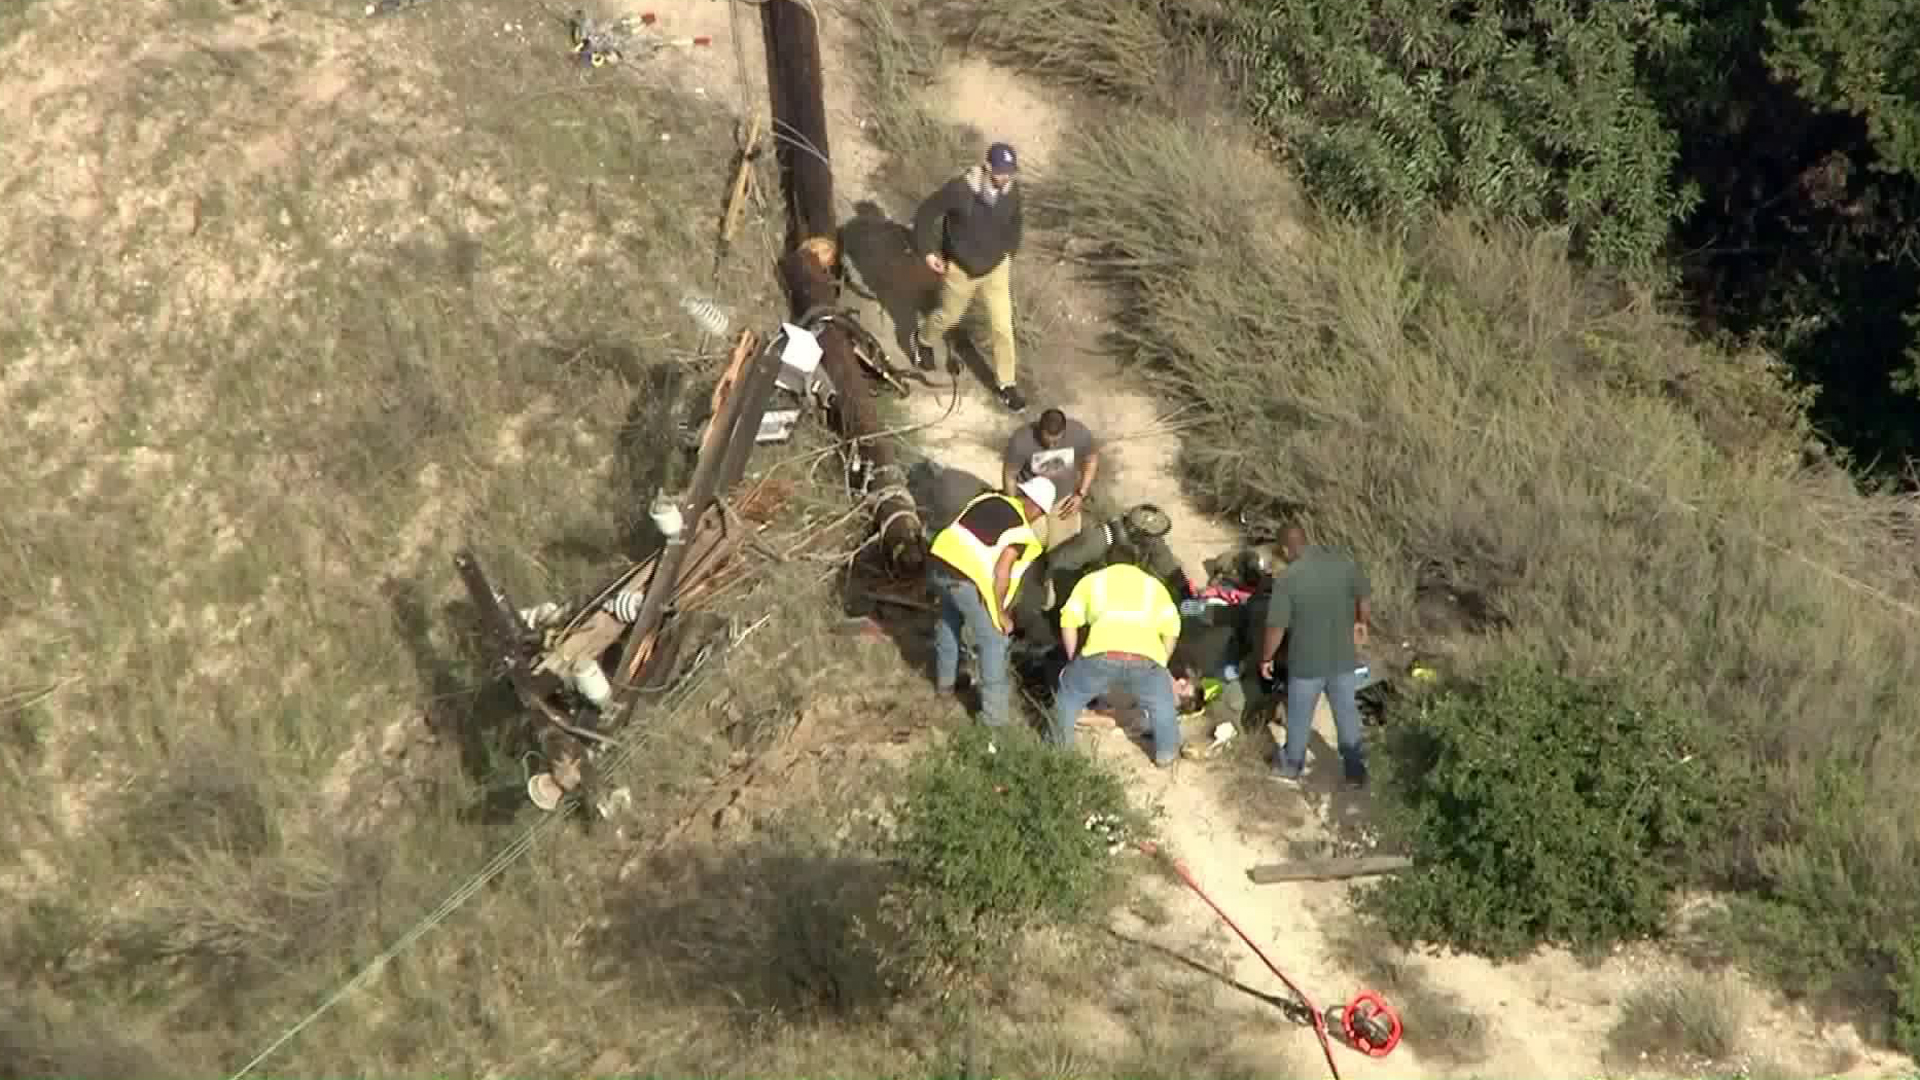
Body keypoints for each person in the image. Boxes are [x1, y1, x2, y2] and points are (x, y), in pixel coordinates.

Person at [926, 474, 1058, 726]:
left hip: (937, 564)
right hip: (963, 579)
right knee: (994, 640)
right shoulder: (1020, 531)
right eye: (1041, 513)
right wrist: (999, 613)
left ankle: (945, 686)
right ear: (1036, 506)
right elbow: (1002, 572)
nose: (1038, 518)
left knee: (949, 620)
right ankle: (994, 721)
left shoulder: (987, 499)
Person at [911, 141, 1026, 412]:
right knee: (948, 317)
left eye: (1010, 171)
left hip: (997, 268)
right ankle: (923, 339)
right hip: (962, 270)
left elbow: (1016, 220)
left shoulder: (1012, 191)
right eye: (1000, 171)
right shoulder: (960, 190)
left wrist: (1011, 250)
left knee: (1003, 328)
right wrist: (928, 252)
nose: (1006, 176)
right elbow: (926, 214)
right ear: (987, 167)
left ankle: (1006, 385)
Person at [1049, 542, 1185, 766]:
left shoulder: (1092, 581)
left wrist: (1073, 659)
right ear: (1137, 563)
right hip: (1146, 658)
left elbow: (1068, 620)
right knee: (1162, 705)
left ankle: (1058, 750)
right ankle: (1166, 755)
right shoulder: (1154, 586)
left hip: (1101, 653)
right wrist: (1161, 662)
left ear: (1105, 561)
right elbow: (1172, 628)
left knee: (1069, 697)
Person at [1256, 525, 1373, 787]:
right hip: (1343, 658)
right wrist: (1360, 622)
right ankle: (1355, 771)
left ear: (1285, 549)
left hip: (1306, 663)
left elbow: (1276, 627)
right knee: (1346, 713)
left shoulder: (1288, 579)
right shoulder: (1342, 563)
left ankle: (1291, 766)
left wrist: (1266, 658)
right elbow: (1363, 594)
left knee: (1298, 716)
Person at [1003, 407, 1100, 550]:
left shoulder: (1079, 434)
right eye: (1046, 442)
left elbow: (1092, 460)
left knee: (1063, 549)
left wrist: (1080, 493)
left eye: (1056, 442)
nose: (1051, 446)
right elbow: (1009, 475)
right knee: (1031, 546)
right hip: (1033, 501)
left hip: (1062, 501)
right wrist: (1013, 506)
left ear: (1065, 431)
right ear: (1039, 429)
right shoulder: (1021, 441)